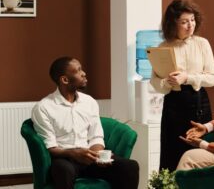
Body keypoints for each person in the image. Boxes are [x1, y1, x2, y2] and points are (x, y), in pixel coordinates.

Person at [31, 57, 139, 189]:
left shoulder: (89, 102)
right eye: (78, 71)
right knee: (62, 170)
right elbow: (51, 147)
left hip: (90, 158)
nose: (84, 73)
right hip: (65, 159)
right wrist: (74, 153)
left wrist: (97, 155)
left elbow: (96, 136)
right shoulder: (44, 107)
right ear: (64, 80)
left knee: (130, 166)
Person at [150, 0, 214, 171]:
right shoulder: (163, 46)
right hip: (173, 104)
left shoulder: (202, 44)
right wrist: (168, 81)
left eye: (193, 20)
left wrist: (187, 77)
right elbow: (155, 83)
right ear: (173, 23)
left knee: (198, 152)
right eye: (184, 22)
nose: (190, 25)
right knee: (171, 152)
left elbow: (212, 78)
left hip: (198, 102)